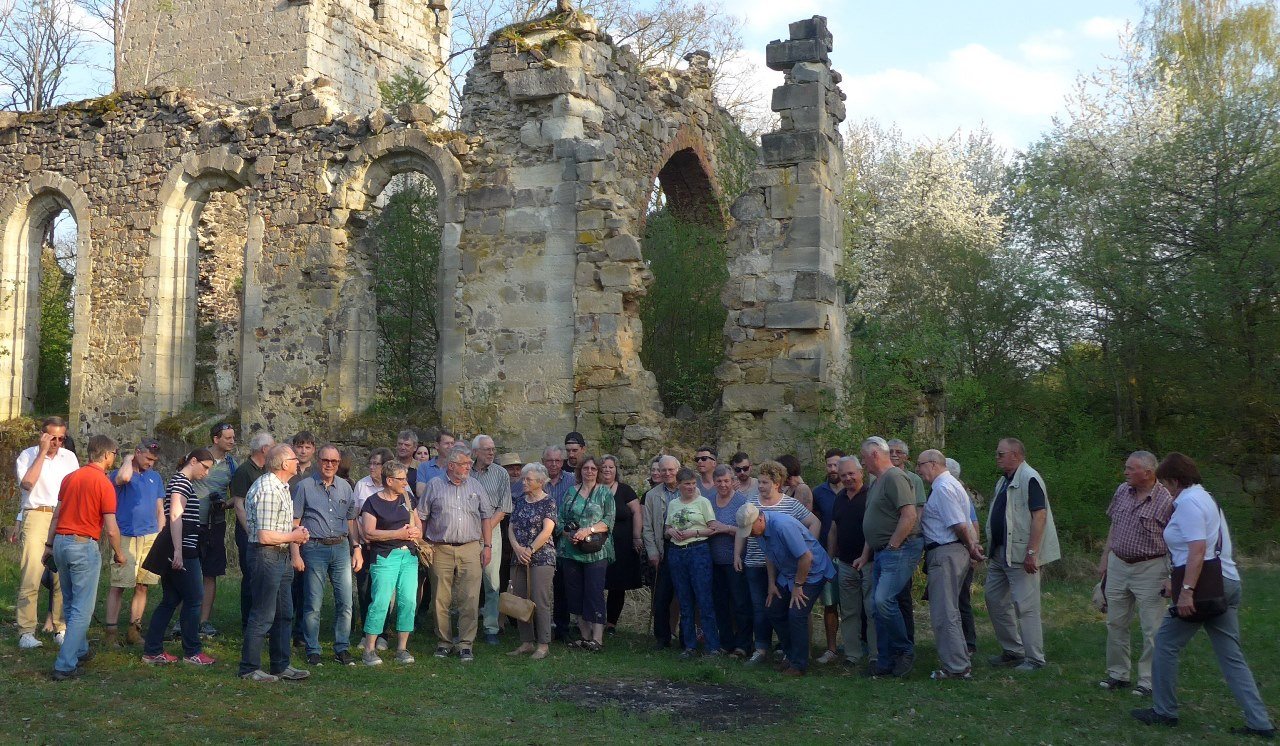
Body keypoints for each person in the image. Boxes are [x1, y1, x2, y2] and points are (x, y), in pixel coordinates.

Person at [1131, 453, 1275, 738]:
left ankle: (1164, 710)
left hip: (1205, 587)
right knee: (1231, 656)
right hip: (1226, 583)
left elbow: (1197, 550)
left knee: (1165, 643)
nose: (1166, 489)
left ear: (1174, 480)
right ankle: (1260, 723)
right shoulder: (1206, 498)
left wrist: (1185, 591)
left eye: (1166, 483)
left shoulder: (1187, 503)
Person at [43, 435, 125, 680]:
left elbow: (57, 515)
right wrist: (119, 553)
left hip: (60, 542)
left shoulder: (70, 478)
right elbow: (111, 527)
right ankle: (65, 664)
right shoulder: (103, 483)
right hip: (82, 545)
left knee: (70, 601)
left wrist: (48, 545)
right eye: (114, 455)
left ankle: (80, 648)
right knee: (82, 608)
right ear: (107, 455)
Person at [1097, 451, 1175, 696]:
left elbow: (1177, 539)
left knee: (1152, 626)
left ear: (1148, 473)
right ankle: (1118, 674)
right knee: (1115, 621)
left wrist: (1172, 575)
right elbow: (1114, 526)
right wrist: (1105, 559)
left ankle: (1148, 680)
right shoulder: (1122, 490)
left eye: (1131, 469)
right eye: (1126, 467)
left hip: (1151, 567)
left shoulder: (1167, 499)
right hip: (1119, 563)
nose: (1125, 472)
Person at [985, 437, 1061, 672]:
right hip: (1000, 554)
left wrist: (1032, 552)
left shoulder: (1030, 478)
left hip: (1020, 554)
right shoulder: (1003, 481)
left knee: (1026, 606)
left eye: (1001, 454)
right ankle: (1013, 650)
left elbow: (1039, 516)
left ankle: (1035, 659)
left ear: (1016, 455)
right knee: (994, 599)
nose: (997, 457)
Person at [238, 445, 311, 682]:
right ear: (282, 464)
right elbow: (264, 535)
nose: (297, 460)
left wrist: (295, 532)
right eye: (293, 457)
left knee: (284, 613)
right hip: (266, 555)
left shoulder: (282, 487)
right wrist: (294, 537)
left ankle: (280, 665)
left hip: (280, 556)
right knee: (263, 613)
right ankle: (249, 668)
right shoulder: (268, 489)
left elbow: (280, 526)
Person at [736, 502, 835, 677]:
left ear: (760, 518)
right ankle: (790, 654)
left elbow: (806, 557)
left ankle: (799, 664)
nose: (750, 534)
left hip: (812, 571)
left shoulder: (783, 526)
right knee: (773, 609)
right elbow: (769, 555)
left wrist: (798, 586)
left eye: (751, 529)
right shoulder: (759, 530)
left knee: (796, 613)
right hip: (788, 572)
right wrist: (772, 584)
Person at [735, 460, 819, 666]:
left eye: (764, 482)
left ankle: (789, 650)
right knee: (760, 606)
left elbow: (814, 522)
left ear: (776, 483)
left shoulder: (789, 504)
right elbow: (741, 529)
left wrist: (808, 547)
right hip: (756, 561)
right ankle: (761, 648)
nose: (760, 486)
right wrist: (737, 554)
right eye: (760, 482)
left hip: (784, 566)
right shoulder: (751, 502)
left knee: (789, 606)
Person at [851, 436, 922, 678]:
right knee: (876, 606)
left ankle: (904, 651)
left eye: (863, 457)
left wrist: (892, 545)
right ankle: (885, 661)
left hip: (899, 549)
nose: (862, 463)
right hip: (881, 551)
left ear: (873, 455)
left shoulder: (894, 477)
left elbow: (909, 515)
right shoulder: (877, 481)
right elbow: (874, 523)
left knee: (883, 601)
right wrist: (864, 555)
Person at [418, 446, 496, 663]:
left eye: (470, 463)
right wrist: (422, 544)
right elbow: (422, 516)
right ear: (451, 466)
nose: (469, 467)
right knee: (440, 598)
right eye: (465, 464)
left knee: (470, 597)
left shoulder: (476, 485)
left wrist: (487, 546)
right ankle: (443, 642)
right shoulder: (434, 485)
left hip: (470, 547)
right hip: (440, 547)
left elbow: (486, 517)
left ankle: (465, 643)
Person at [141, 449, 216, 666]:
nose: (207, 473)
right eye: (205, 467)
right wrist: (178, 552)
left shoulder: (179, 481)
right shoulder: (182, 482)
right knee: (194, 599)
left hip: (179, 550)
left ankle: (152, 650)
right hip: (183, 551)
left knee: (170, 600)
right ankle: (192, 651)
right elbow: (175, 515)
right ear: (194, 461)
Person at [916, 449, 985, 680]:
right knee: (950, 610)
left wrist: (972, 546)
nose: (918, 470)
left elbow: (958, 524)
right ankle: (959, 662)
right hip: (951, 552)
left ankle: (956, 667)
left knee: (944, 612)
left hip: (946, 553)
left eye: (921, 464)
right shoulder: (950, 485)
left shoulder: (944, 488)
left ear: (934, 464)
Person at [13, 416, 79, 649]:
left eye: (62, 438)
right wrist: (42, 453)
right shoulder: (27, 455)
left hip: (61, 515)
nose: (57, 443)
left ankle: (61, 627)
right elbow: (28, 484)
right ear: (43, 435)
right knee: (31, 572)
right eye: (53, 438)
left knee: (62, 573)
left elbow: (75, 488)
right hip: (37, 513)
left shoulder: (69, 457)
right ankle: (26, 631)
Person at [294, 444, 361, 666]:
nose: (329, 465)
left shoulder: (345, 487)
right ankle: (313, 649)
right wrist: (296, 553)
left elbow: (351, 519)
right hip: (314, 548)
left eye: (334, 461)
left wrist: (356, 547)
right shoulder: (304, 487)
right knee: (313, 602)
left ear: (338, 463)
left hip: (341, 547)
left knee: (346, 601)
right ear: (318, 461)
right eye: (325, 460)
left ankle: (342, 647)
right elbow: (295, 522)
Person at [358, 461, 421, 666]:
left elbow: (418, 523)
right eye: (401, 479)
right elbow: (369, 532)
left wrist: (415, 532)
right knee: (381, 602)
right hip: (385, 557)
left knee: (408, 601)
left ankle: (402, 648)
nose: (405, 482)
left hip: (408, 556)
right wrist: (398, 534)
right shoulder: (372, 502)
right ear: (389, 480)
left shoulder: (408, 498)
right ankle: (369, 649)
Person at [105, 439, 165, 647]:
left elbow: (160, 508)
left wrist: (160, 533)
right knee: (119, 584)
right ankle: (111, 632)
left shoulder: (155, 477)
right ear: (137, 453)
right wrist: (128, 459)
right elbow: (123, 477)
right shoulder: (122, 472)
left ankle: (134, 630)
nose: (150, 463)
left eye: (154, 460)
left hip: (149, 536)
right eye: (147, 458)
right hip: (126, 535)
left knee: (142, 585)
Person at [558, 454, 616, 652]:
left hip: (596, 552)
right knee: (575, 594)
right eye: (586, 468)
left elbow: (609, 521)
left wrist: (587, 531)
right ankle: (584, 636)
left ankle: (597, 639)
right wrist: (569, 534)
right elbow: (560, 519)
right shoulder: (570, 492)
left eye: (593, 469)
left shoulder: (604, 493)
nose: (589, 472)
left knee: (594, 593)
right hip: (571, 550)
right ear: (579, 471)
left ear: (598, 472)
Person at [665, 467, 722, 659]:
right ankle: (689, 645)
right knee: (684, 599)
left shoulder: (703, 502)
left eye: (692, 484)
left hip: (698, 550)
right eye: (686, 484)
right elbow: (667, 527)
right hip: (677, 552)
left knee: (704, 598)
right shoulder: (673, 504)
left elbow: (713, 528)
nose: (690, 487)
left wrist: (694, 532)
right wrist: (670, 531)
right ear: (679, 485)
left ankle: (712, 646)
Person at [507, 463, 557, 660]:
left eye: (529, 479)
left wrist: (530, 550)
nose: (524, 482)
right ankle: (526, 641)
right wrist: (517, 549)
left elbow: (547, 530)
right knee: (520, 599)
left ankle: (543, 643)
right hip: (518, 556)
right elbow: (511, 527)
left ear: (541, 482)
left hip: (542, 557)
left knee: (539, 599)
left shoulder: (549, 502)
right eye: (524, 478)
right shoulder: (519, 500)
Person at [829, 456, 874, 666]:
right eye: (843, 474)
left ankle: (875, 654)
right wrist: (829, 558)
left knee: (871, 610)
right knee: (848, 611)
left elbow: (874, 529)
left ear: (861, 472)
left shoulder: (871, 495)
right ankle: (852, 654)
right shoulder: (839, 498)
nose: (847, 478)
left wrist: (865, 556)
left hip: (869, 562)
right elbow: (834, 529)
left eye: (851, 474)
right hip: (845, 563)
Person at [195, 422, 237, 638]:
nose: (232, 441)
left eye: (233, 437)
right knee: (188, 571)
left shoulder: (232, 465)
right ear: (215, 439)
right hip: (192, 522)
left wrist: (225, 504)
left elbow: (237, 494)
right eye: (228, 437)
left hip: (216, 524)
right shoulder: (198, 457)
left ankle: (203, 621)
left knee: (210, 573)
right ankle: (184, 619)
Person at [470, 435, 513, 645]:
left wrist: (484, 529)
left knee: (492, 581)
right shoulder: (465, 472)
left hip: (492, 531)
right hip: (466, 533)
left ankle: (491, 628)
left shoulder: (501, 474)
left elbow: (504, 507)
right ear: (476, 452)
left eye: (493, 449)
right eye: (487, 449)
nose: (491, 453)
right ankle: (467, 627)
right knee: (468, 582)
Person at [229, 432, 274, 631]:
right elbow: (239, 506)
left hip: (265, 533)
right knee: (250, 577)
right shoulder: (244, 471)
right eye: (272, 446)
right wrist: (250, 532)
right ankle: (248, 622)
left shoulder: (267, 471)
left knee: (264, 577)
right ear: (264, 449)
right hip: (248, 533)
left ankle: (263, 620)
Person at [887, 438, 927, 645]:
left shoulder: (913, 479)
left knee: (902, 593)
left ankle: (907, 640)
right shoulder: (879, 478)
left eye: (898, 452)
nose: (894, 455)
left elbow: (918, 511)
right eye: (890, 451)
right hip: (884, 542)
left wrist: (907, 536)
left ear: (906, 456)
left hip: (905, 541)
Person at [708, 464, 751, 656]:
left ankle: (743, 644)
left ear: (732, 481)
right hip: (714, 561)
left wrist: (725, 528)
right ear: (714, 483)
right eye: (719, 481)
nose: (723, 485)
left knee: (740, 603)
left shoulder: (742, 502)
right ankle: (726, 642)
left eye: (726, 481)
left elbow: (746, 531)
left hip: (735, 560)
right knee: (720, 603)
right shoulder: (709, 501)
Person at [352, 447, 394, 638]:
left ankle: (383, 634)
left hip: (387, 547)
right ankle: (366, 632)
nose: (372, 467)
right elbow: (354, 516)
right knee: (365, 589)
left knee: (384, 591)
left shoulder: (397, 485)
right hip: (365, 545)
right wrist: (363, 536)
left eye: (376, 464)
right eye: (370, 463)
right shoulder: (362, 485)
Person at [642, 455, 682, 649]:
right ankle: (662, 638)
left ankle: (686, 637)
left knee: (686, 596)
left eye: (670, 470)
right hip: (662, 548)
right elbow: (647, 527)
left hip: (685, 548)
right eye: (663, 470)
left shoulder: (691, 489)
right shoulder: (652, 495)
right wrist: (652, 552)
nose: (667, 473)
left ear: (678, 470)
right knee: (661, 597)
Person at [601, 454, 642, 633]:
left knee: (617, 585)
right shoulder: (593, 489)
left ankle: (611, 623)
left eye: (611, 467)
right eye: (604, 467)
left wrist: (636, 536)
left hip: (622, 545)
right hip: (598, 544)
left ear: (616, 470)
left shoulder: (625, 490)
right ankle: (596, 619)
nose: (607, 470)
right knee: (597, 583)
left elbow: (637, 513)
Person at [811, 448, 844, 664]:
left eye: (837, 465)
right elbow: (814, 521)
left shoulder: (858, 489)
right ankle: (831, 648)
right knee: (830, 604)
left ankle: (857, 646)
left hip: (853, 553)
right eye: (829, 465)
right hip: (826, 554)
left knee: (855, 605)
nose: (833, 469)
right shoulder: (818, 492)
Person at [946, 457, 982, 655]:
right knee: (957, 599)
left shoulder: (955, 491)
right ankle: (961, 641)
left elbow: (971, 523)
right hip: (959, 552)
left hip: (961, 552)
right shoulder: (951, 489)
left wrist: (973, 549)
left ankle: (968, 643)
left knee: (961, 599)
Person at [542, 444, 576, 640]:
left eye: (557, 460)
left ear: (562, 462)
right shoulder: (539, 480)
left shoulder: (572, 481)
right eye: (549, 460)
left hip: (564, 538)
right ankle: (541, 626)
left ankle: (562, 628)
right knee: (542, 586)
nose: (553, 464)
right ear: (543, 461)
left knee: (562, 585)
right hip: (541, 539)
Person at [415, 429, 454, 498]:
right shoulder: (424, 467)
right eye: (447, 443)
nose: (450, 447)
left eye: (452, 443)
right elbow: (420, 492)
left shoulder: (455, 467)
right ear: (437, 445)